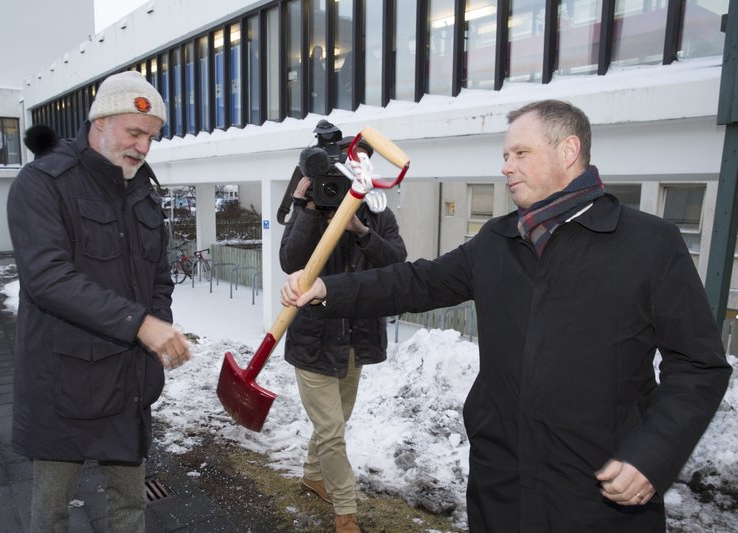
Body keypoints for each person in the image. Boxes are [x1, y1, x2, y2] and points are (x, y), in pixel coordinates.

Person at [281, 99, 732, 532]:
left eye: (520, 153)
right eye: (505, 155)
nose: (506, 166)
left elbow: (698, 366)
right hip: (502, 485)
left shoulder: (648, 245)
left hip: (599, 493)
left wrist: (652, 455)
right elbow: (418, 282)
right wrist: (327, 289)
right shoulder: (498, 240)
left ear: (569, 150)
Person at [6, 70, 191, 533]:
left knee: (130, 507)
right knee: (51, 513)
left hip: (126, 381)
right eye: (135, 132)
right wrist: (141, 324)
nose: (144, 147)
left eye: (151, 137)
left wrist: (157, 326)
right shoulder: (43, 182)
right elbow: (47, 278)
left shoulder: (145, 193)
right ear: (100, 122)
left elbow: (159, 280)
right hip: (62, 382)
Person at [280, 126, 406, 533]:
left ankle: (313, 475)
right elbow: (291, 261)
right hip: (315, 341)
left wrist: (360, 231)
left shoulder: (376, 213)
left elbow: (397, 265)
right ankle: (345, 511)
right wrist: (309, 209)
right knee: (332, 429)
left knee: (336, 421)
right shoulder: (311, 206)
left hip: (357, 340)